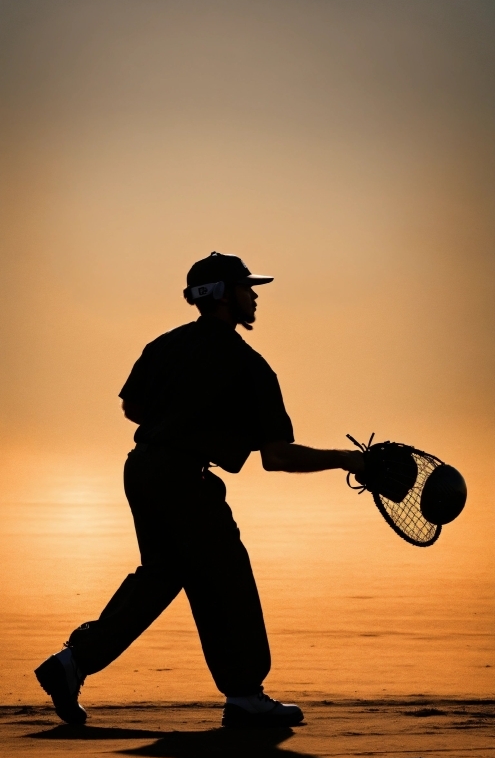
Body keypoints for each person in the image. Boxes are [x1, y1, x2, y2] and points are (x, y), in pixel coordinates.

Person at [35, 252, 364, 728]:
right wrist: (349, 460)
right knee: (227, 578)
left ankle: (72, 662)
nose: (254, 297)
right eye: (246, 288)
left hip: (142, 470)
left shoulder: (163, 346)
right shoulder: (249, 366)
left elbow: (132, 407)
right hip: (185, 480)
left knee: (161, 575)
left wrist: (177, 426)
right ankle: (246, 694)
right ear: (220, 294)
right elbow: (277, 457)